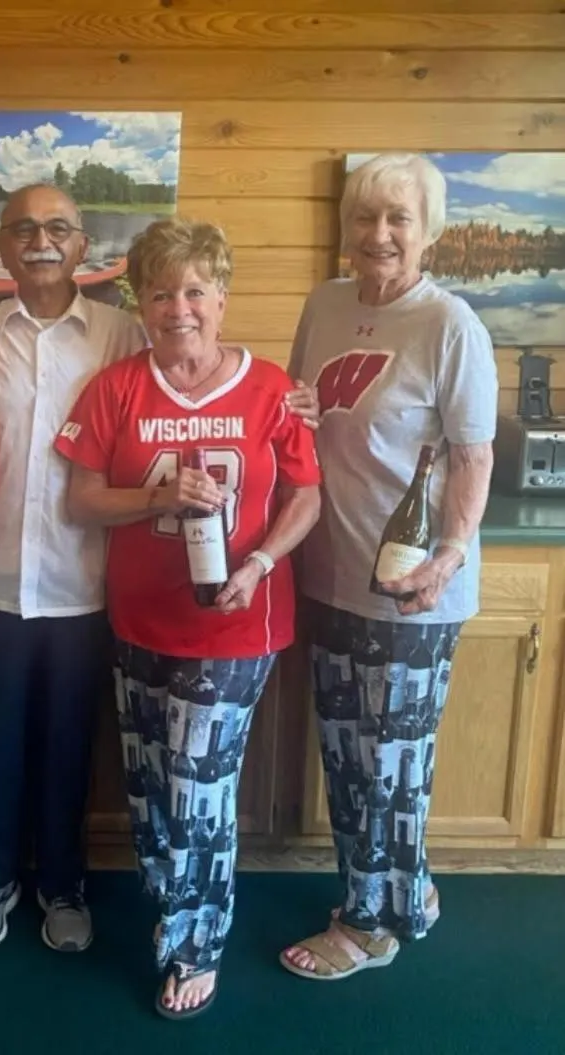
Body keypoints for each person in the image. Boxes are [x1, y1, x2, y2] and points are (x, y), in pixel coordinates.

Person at [54, 216, 322, 1018]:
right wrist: (156, 497)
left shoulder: (273, 388)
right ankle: (173, 906)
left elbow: (305, 493)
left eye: (196, 291)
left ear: (222, 296)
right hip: (140, 622)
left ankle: (196, 941)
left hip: (236, 624)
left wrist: (260, 561)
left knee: (197, 784)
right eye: (163, 292)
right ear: (140, 301)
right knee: (149, 785)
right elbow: (81, 500)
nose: (180, 308)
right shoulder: (118, 387)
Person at [279, 152, 497, 980]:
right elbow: (306, 408)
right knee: (347, 752)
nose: (377, 235)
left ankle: (366, 925)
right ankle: (405, 891)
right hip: (330, 567)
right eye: (364, 218)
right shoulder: (325, 302)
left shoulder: (449, 325)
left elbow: (473, 458)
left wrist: (447, 556)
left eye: (397, 220)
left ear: (428, 233)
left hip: (410, 586)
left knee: (389, 762)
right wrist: (293, 406)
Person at [0, 185, 146, 953]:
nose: (40, 240)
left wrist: (284, 403)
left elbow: (188, 394)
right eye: (23, 228)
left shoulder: (122, 335)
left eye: (57, 228)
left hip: (83, 586)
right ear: (0, 245)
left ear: (81, 245)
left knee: (70, 747)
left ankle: (62, 883)